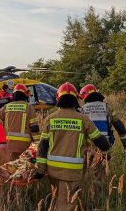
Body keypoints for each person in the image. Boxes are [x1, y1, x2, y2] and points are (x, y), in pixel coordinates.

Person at [34, 82, 111, 211]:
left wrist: (41, 169)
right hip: (71, 172)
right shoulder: (83, 119)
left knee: (57, 198)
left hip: (52, 170)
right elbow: (100, 141)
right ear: (75, 99)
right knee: (66, 204)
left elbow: (42, 146)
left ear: (58, 99)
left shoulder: (50, 119)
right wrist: (107, 153)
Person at [79, 84, 126, 156]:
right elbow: (120, 128)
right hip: (106, 148)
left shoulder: (82, 110)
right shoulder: (107, 107)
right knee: (105, 166)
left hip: (88, 150)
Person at [0, 83, 40, 163]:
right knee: (23, 169)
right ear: (25, 95)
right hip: (24, 146)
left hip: (9, 144)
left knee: (9, 169)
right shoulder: (29, 107)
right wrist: (37, 144)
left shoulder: (6, 107)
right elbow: (34, 128)